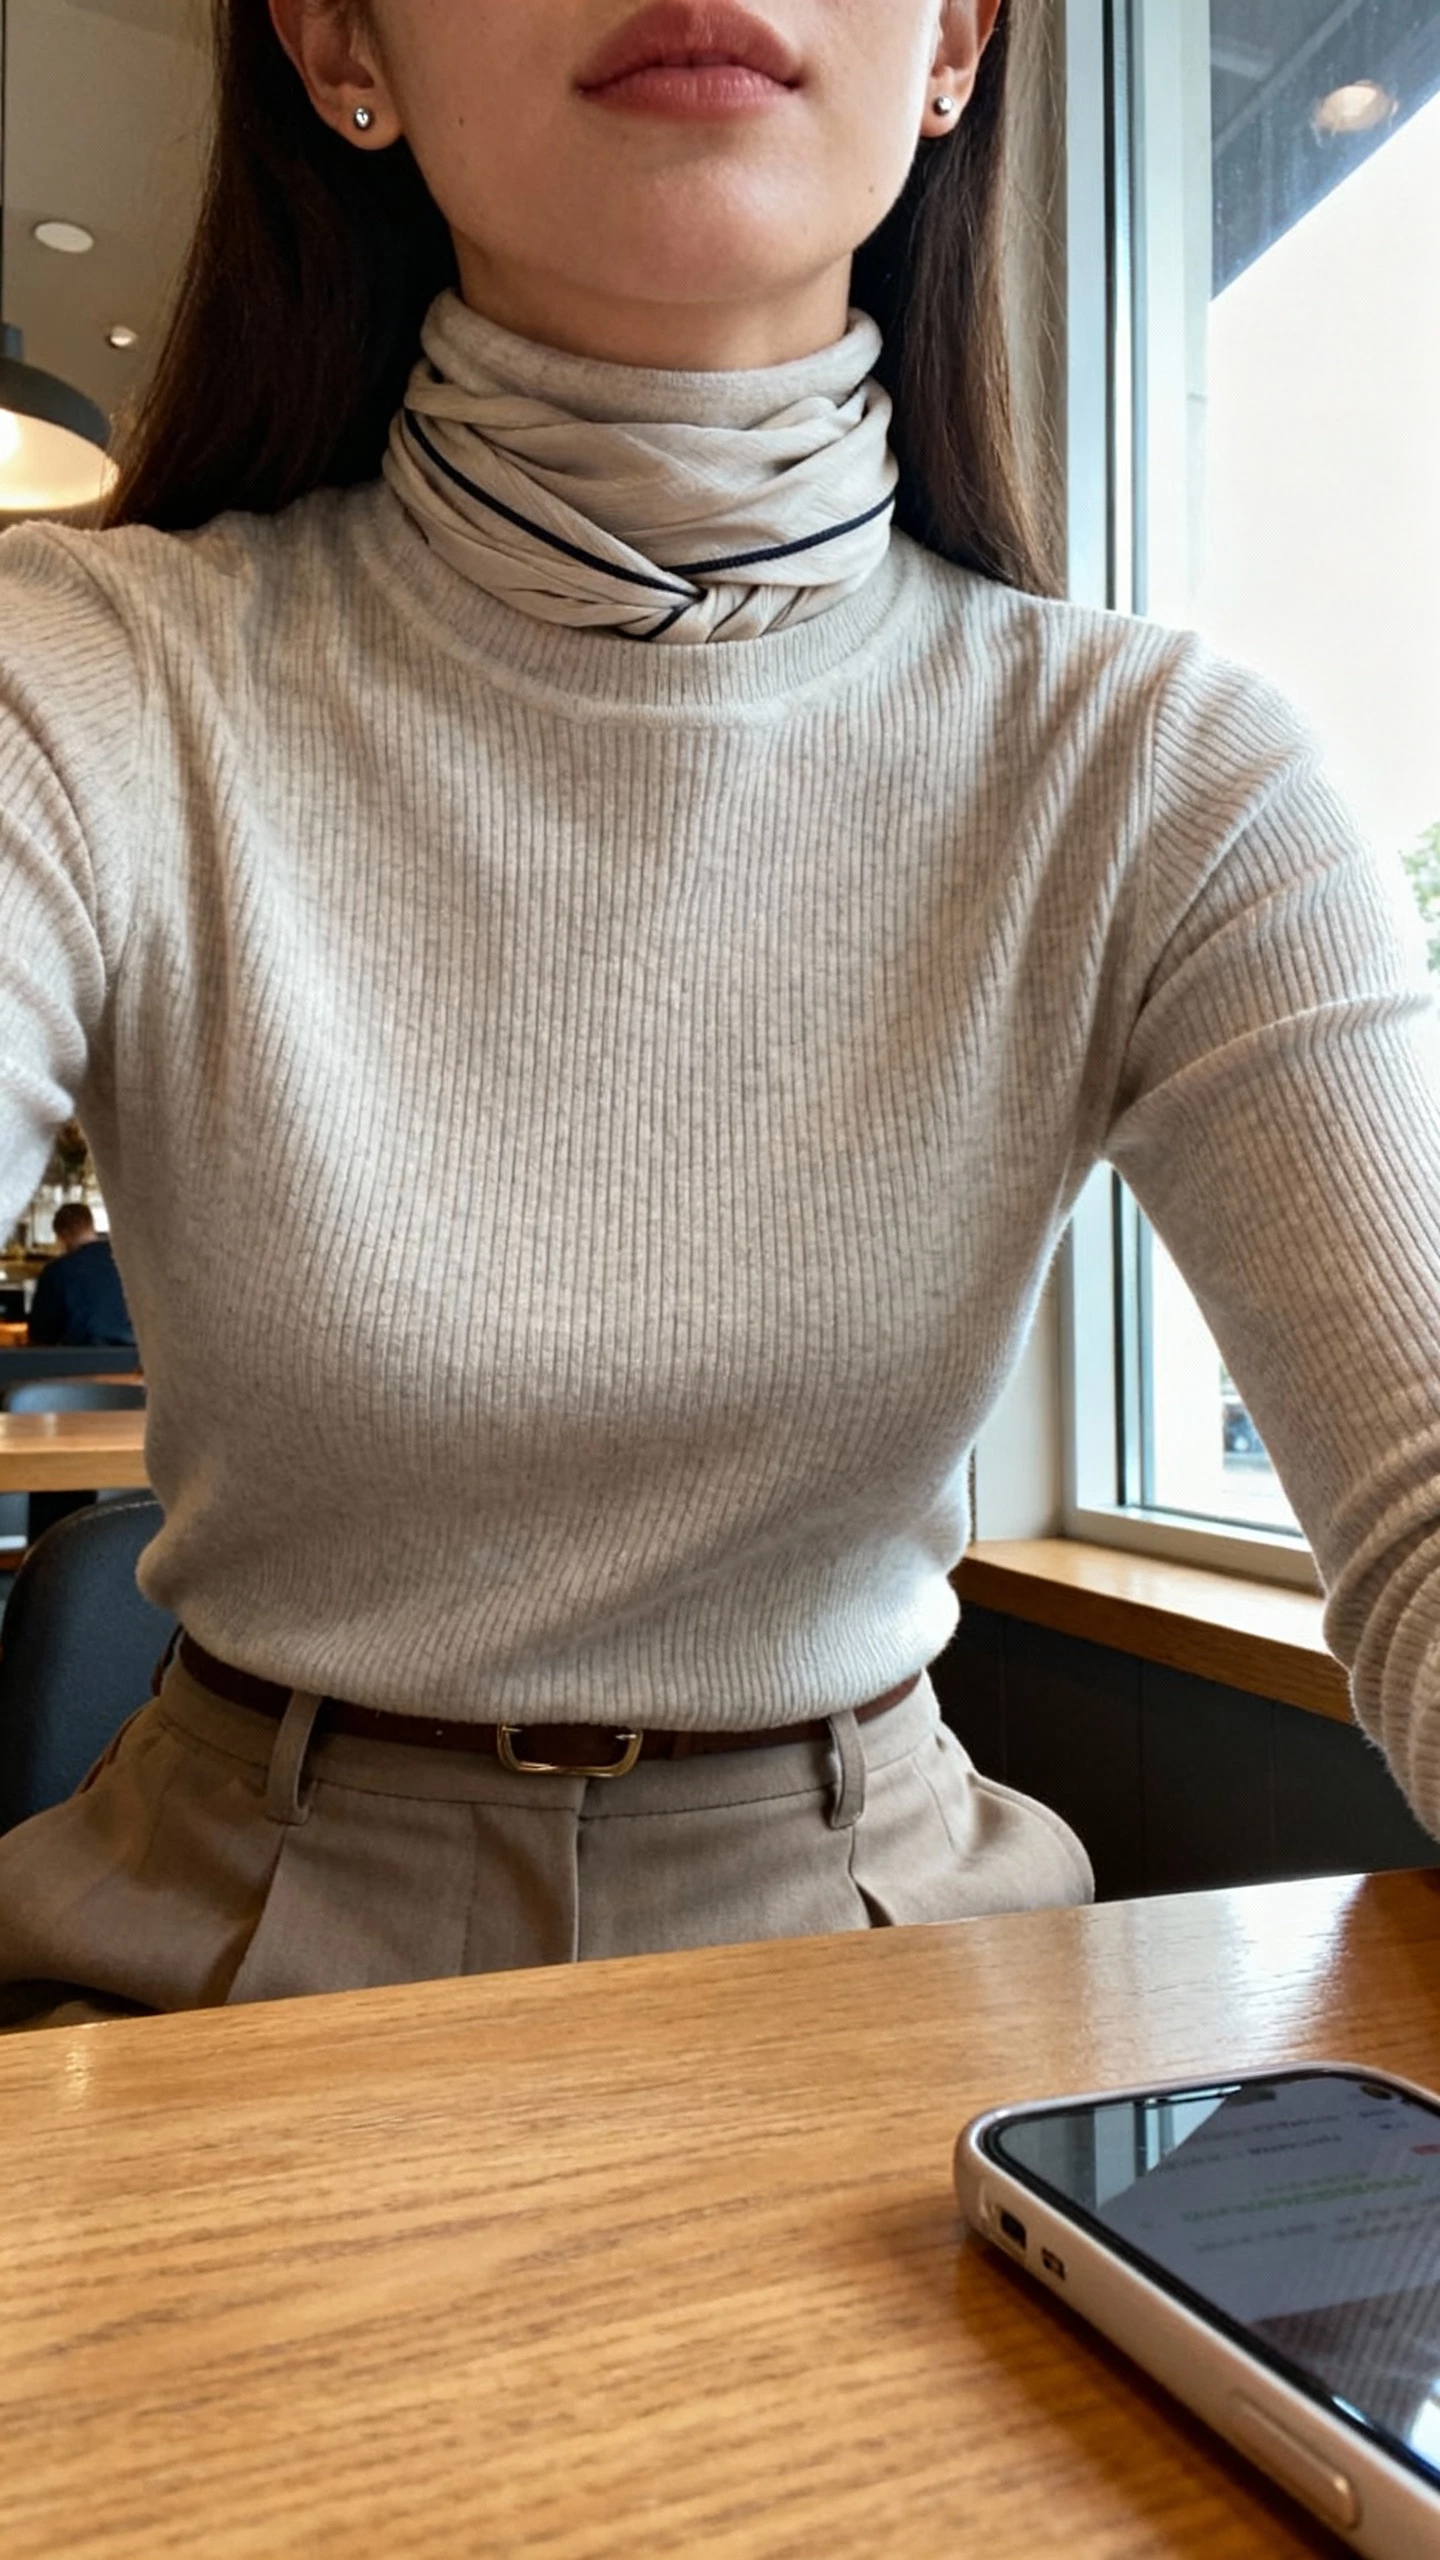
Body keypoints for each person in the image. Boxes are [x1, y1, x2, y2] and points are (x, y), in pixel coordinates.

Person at [0, 0, 1435, 2025]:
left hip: (897, 1981)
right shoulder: (82, 680)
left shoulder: (1164, 774)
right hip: (204, 1975)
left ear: (957, 40)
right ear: (337, 42)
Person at [26, 1202, 136, 1351]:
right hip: (135, 1355)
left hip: (81, 1358)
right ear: (92, 1226)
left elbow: (41, 1337)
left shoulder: (58, 1270)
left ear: (63, 1235)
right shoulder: (125, 1260)